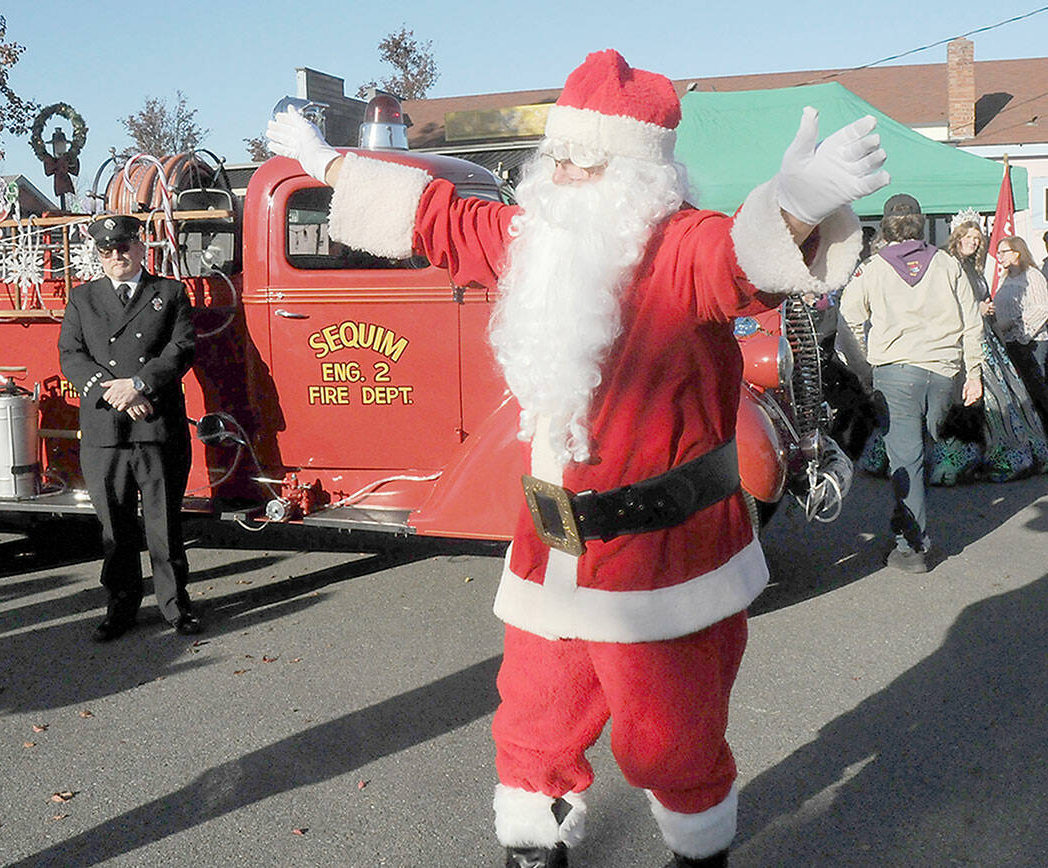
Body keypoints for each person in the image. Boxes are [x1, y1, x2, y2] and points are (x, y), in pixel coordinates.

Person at [269, 49, 887, 868]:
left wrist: (797, 211)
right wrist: (322, 162)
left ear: (638, 177)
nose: (560, 173)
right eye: (554, 157)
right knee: (530, 729)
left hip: (662, 564)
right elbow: (436, 214)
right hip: (550, 553)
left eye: (583, 160)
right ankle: (536, 850)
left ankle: (700, 850)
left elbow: (740, 262)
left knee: (668, 746)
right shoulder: (537, 238)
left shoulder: (680, 248)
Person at [58, 214, 202, 641]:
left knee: (164, 524)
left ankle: (176, 607)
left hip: (157, 427)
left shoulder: (170, 293)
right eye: (107, 250)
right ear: (99, 255)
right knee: (116, 529)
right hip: (107, 431)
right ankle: (120, 606)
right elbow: (71, 354)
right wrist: (114, 390)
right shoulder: (83, 299)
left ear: (141, 248)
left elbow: (182, 348)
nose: (117, 256)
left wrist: (140, 385)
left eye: (124, 247)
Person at [839, 194, 983, 574]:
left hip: (896, 371)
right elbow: (972, 321)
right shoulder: (949, 264)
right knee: (923, 449)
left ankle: (912, 546)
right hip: (942, 370)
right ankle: (905, 524)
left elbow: (847, 324)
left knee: (907, 458)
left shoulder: (870, 269)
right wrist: (975, 373)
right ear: (921, 224)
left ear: (886, 227)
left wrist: (863, 370)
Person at [942, 220, 1048, 481]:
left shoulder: (976, 270)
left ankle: (1006, 452)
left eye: (977, 239)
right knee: (972, 399)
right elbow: (945, 302)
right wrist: (976, 310)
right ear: (957, 238)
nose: (973, 242)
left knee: (1003, 396)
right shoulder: (947, 265)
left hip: (989, 338)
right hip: (965, 339)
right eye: (968, 237)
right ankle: (964, 456)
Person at [991, 234, 1048, 429]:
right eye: (998, 253)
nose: (1000, 256)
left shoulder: (1032, 275)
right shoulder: (1006, 277)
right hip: (1009, 342)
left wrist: (1017, 326)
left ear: (1017, 252)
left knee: (1037, 391)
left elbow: (1042, 308)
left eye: (1004, 252)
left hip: (1031, 343)